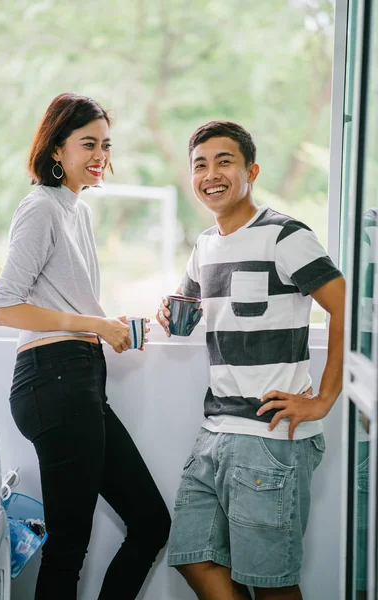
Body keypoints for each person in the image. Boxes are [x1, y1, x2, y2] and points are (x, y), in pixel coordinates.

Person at [0, 93, 171, 600]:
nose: (100, 155)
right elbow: (6, 307)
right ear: (56, 150)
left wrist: (106, 324)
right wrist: (94, 323)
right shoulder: (41, 207)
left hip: (78, 378)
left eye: (105, 145)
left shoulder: (77, 211)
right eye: (88, 143)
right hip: (54, 379)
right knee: (69, 547)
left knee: (150, 523)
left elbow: (63, 300)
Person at [157, 121, 345, 600]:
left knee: (272, 585)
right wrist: (169, 309)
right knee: (192, 556)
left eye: (225, 162)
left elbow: (346, 303)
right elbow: (191, 309)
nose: (211, 174)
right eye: (200, 164)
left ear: (251, 171)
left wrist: (324, 398)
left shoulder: (285, 235)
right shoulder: (204, 245)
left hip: (269, 438)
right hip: (216, 431)